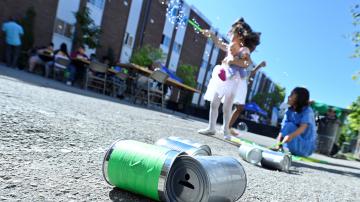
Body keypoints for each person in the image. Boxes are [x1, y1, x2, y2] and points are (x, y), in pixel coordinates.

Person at [198, 18, 254, 139]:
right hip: (223, 77)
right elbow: (219, 43)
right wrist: (211, 34)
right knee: (214, 103)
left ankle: (225, 130)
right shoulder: (230, 47)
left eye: (232, 33)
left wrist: (234, 60)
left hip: (234, 79)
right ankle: (211, 128)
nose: (230, 35)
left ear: (240, 36)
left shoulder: (244, 50)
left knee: (227, 107)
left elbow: (247, 63)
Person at [274, 87, 317, 157]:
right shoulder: (289, 110)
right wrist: (278, 145)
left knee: (289, 125)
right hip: (295, 145)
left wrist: (290, 136)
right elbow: (282, 130)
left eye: (291, 94)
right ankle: (281, 148)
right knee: (288, 125)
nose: (288, 97)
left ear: (299, 98)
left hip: (305, 148)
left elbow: (302, 128)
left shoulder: (308, 111)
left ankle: (291, 149)